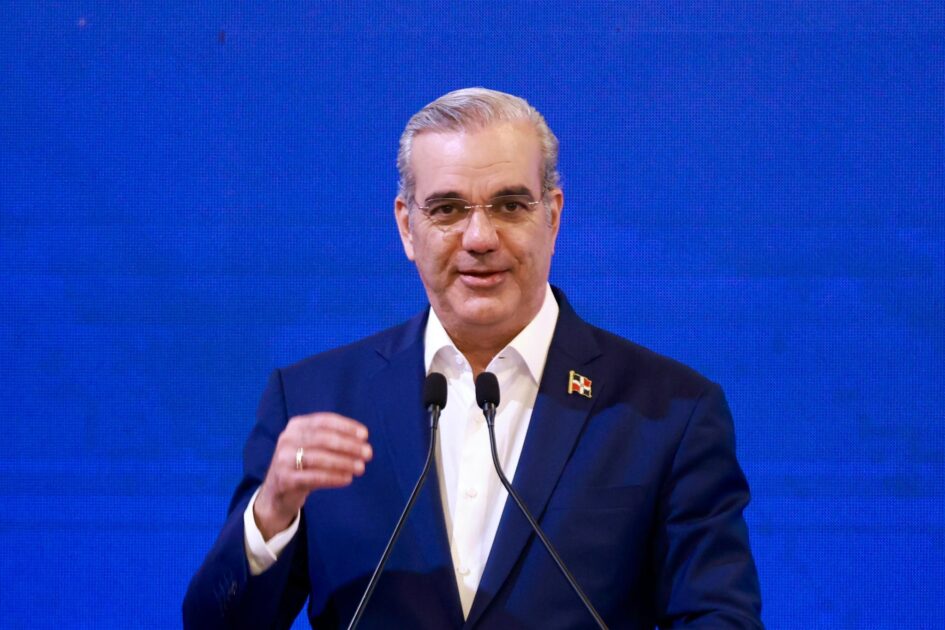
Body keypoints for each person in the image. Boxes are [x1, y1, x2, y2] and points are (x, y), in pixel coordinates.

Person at [183, 87, 762, 628]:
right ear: (407, 227)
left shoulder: (670, 412)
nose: (480, 237)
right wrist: (271, 513)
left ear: (553, 217)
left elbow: (719, 619)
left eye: (510, 205)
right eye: (447, 209)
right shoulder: (314, 400)